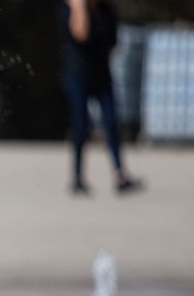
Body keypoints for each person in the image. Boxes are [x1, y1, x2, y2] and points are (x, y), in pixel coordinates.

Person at [57, 0, 141, 195]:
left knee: (111, 124)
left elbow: (112, 43)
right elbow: (80, 34)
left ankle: (120, 174)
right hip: (77, 76)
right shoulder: (68, 8)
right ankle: (77, 178)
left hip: (102, 76)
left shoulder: (105, 10)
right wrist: (79, 8)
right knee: (81, 125)